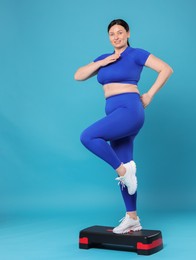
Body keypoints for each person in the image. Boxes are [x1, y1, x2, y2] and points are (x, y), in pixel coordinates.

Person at [74, 19, 173, 234]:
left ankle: (123, 171)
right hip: (114, 112)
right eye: (112, 34)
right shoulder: (104, 59)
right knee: (126, 164)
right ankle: (133, 218)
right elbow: (78, 75)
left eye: (120, 32)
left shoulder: (136, 54)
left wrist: (149, 95)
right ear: (109, 37)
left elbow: (166, 69)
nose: (116, 36)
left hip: (129, 110)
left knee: (88, 137)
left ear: (128, 33)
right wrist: (102, 62)